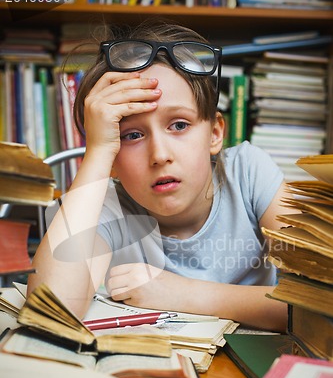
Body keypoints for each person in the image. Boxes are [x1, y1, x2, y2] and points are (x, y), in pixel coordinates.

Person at [28, 20, 290, 332]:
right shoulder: (103, 207)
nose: (160, 155)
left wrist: (180, 293)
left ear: (215, 134)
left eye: (179, 125)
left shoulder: (248, 174)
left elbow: (319, 304)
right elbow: (52, 311)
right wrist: (98, 151)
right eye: (132, 135)